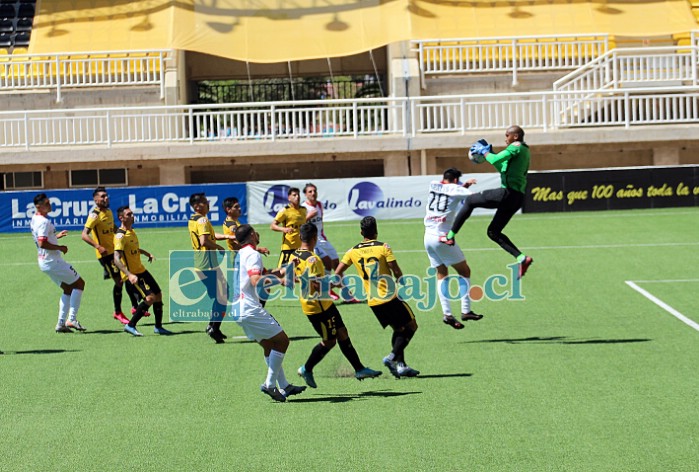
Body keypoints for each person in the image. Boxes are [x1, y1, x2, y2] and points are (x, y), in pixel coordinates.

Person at [292, 223, 382, 388]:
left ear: (300, 237)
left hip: (325, 304)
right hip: (317, 308)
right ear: (314, 238)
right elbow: (315, 285)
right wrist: (335, 284)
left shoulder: (296, 254)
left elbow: (294, 276)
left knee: (342, 332)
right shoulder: (313, 260)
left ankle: (359, 368)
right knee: (329, 341)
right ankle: (306, 368)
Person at [441, 125, 534, 279]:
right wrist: (488, 154)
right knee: (493, 232)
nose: (506, 139)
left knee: (470, 200)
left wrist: (486, 153)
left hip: (508, 193)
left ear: (515, 136)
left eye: (507, 135)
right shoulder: (522, 150)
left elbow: (496, 159)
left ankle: (450, 236)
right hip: (516, 198)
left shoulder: (516, 146)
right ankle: (522, 258)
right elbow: (501, 166)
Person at [335, 216, 420, 379]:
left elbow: (338, 272)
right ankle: (392, 357)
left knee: (399, 329)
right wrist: (401, 280)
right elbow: (395, 269)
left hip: (373, 301)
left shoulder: (352, 251)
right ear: (376, 231)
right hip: (390, 297)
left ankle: (401, 365)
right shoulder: (383, 247)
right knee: (412, 325)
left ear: (361, 232)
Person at [234, 224, 306, 402]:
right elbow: (256, 280)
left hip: (237, 308)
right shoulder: (253, 254)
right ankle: (269, 384)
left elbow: (264, 273)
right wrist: (280, 280)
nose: (258, 234)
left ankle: (285, 386)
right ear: (252, 235)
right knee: (282, 341)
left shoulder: (241, 253)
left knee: (269, 345)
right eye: (255, 232)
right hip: (249, 308)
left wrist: (286, 268)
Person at [425, 168, 484, 329]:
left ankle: (447, 314)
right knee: (464, 271)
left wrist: (464, 185)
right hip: (442, 237)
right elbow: (474, 198)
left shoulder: (433, 184)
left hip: (427, 237)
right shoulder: (456, 189)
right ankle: (466, 310)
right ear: (456, 180)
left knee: (442, 274)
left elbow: (450, 190)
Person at [81, 186, 141, 325]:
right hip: (105, 255)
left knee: (128, 275)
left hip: (115, 251)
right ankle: (118, 312)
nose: (105, 198)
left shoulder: (107, 211)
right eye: (102, 196)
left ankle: (134, 306)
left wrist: (123, 232)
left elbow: (112, 227)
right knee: (120, 281)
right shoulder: (94, 215)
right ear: (95, 199)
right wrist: (98, 246)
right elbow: (84, 235)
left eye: (106, 196)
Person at [30, 193, 87, 333]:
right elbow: (42, 243)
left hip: (45, 262)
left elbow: (43, 238)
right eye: (47, 203)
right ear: (39, 206)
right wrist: (60, 247)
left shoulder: (35, 219)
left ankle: (61, 324)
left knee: (68, 288)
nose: (50, 205)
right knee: (80, 284)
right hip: (52, 261)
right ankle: (71, 319)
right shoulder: (43, 222)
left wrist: (55, 237)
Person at [114, 206, 173, 337]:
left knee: (158, 294)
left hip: (142, 270)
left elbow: (133, 249)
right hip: (133, 274)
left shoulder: (131, 231)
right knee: (150, 298)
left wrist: (147, 253)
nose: (132, 216)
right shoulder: (120, 236)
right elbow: (116, 258)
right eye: (129, 214)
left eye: (132, 214)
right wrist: (129, 274)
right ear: (121, 218)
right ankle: (130, 325)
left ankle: (158, 327)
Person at [188, 192, 230, 344]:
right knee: (223, 295)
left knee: (219, 295)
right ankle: (214, 327)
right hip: (208, 263)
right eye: (205, 202)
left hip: (200, 263)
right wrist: (218, 246)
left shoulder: (194, 219)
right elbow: (204, 240)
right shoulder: (203, 220)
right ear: (197, 205)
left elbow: (209, 235)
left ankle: (213, 326)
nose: (208, 204)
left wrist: (227, 237)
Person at [302, 183, 342, 301]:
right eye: (310, 191)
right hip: (313, 240)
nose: (313, 193)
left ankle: (344, 290)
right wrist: (308, 216)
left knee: (336, 262)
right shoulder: (304, 208)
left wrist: (324, 238)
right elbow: (300, 225)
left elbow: (320, 224)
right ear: (305, 194)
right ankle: (326, 289)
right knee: (327, 262)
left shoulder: (319, 205)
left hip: (322, 238)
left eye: (314, 191)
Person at [270, 187, 306, 268]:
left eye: (298, 195)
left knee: (301, 271)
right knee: (282, 271)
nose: (297, 197)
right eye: (294, 195)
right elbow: (272, 226)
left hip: (301, 247)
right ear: (289, 198)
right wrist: (283, 229)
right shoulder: (285, 211)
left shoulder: (304, 210)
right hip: (288, 247)